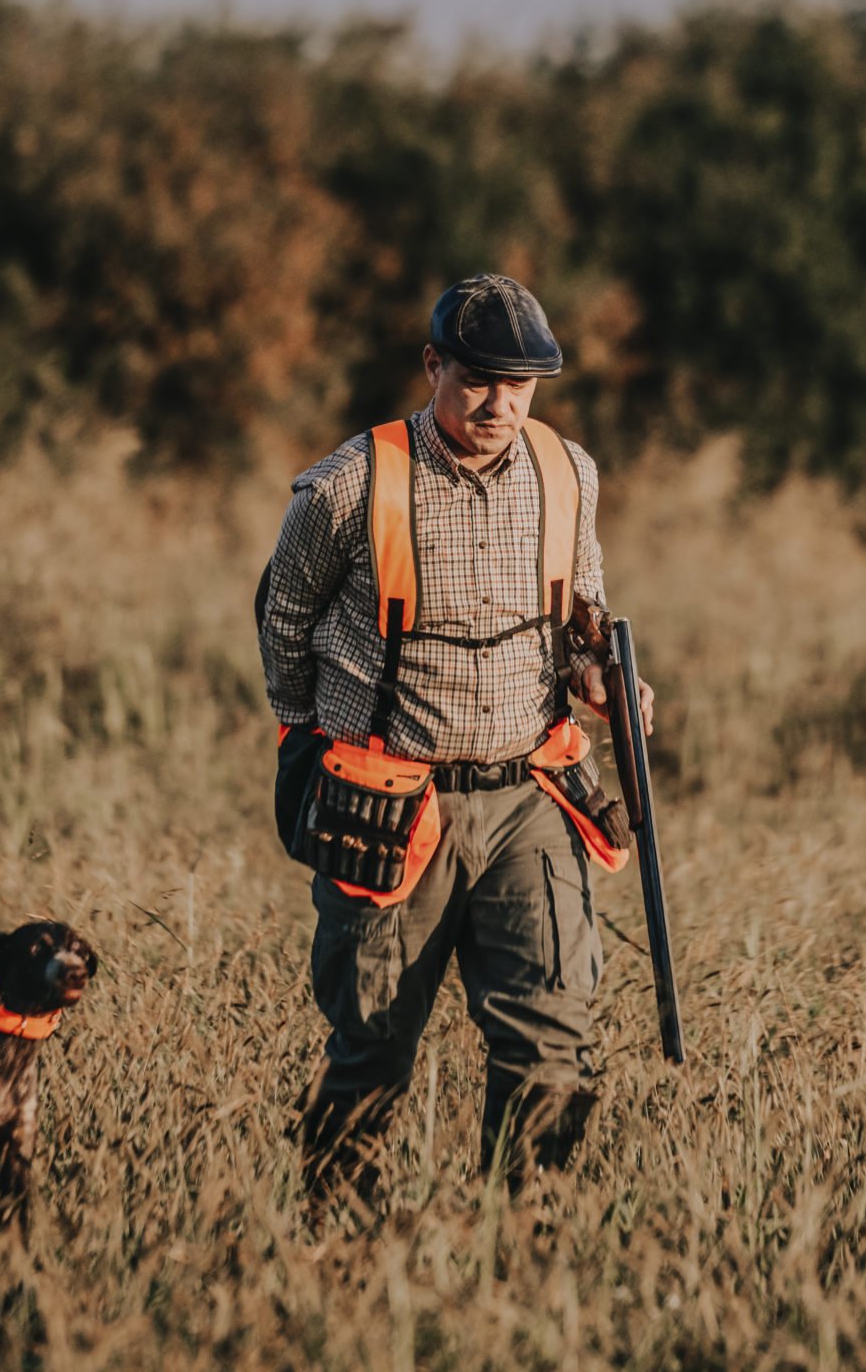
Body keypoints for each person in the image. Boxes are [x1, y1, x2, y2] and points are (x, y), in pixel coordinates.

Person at [256, 273, 654, 1199]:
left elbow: (584, 608)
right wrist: (314, 743)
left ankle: (522, 1242)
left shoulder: (571, 472)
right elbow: (283, 619)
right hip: (390, 803)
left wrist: (600, 675)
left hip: (533, 796)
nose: (500, 402)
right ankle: (338, 1248)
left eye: (521, 383)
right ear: (433, 365)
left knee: (552, 1031)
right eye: (478, 378)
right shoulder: (348, 484)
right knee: (372, 1043)